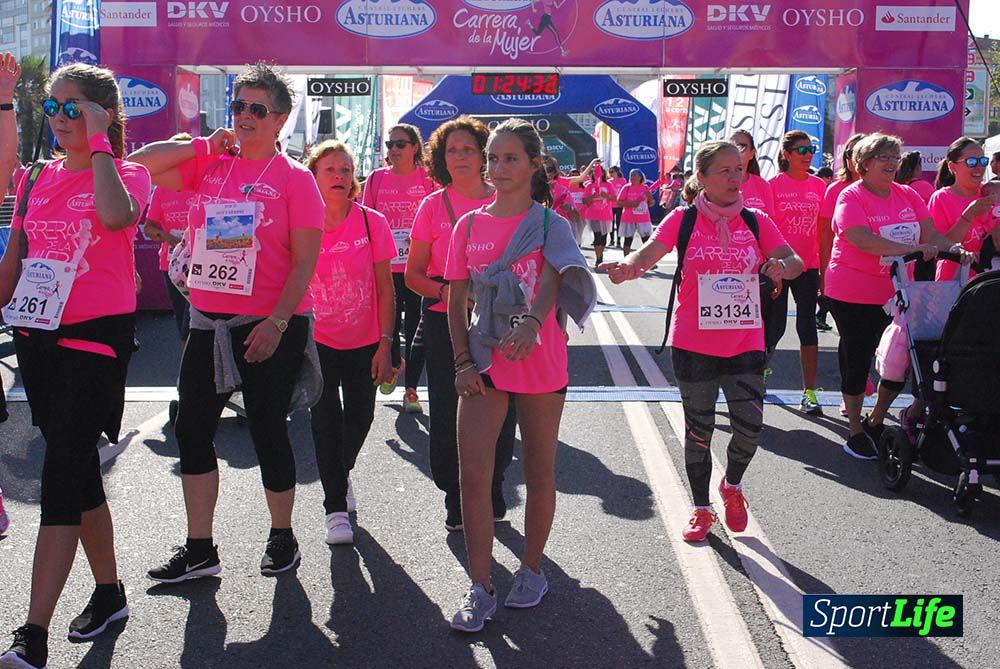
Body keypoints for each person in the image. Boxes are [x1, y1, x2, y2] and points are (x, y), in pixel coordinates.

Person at [130, 62, 324, 583]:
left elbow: (305, 260)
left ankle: (282, 535)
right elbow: (141, 164)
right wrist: (202, 146)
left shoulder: (296, 179)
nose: (244, 117)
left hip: (267, 324)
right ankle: (200, 548)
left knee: (267, 432)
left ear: (281, 118)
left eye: (257, 109)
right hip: (207, 323)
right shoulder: (213, 165)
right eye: (238, 106)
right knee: (192, 431)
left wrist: (278, 322)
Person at [0, 59, 152, 669]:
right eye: (55, 106)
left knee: (62, 471)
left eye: (74, 107)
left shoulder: (128, 174)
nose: (59, 116)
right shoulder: (36, 178)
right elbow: (17, 253)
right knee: (77, 465)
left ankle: (31, 633)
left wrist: (98, 146)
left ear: (101, 112)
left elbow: (117, 219)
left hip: (95, 337)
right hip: (37, 333)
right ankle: (111, 593)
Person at [602, 141, 802, 542]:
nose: (735, 177)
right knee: (699, 431)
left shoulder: (757, 220)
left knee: (750, 429)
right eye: (724, 170)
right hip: (694, 344)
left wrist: (782, 265)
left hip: (746, 340)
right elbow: (646, 255)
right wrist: (627, 268)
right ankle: (701, 508)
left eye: (738, 169)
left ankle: (732, 486)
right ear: (702, 178)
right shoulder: (683, 219)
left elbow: (795, 261)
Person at [445, 118, 595, 633]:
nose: (499, 168)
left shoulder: (551, 224)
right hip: (485, 362)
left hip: (541, 358)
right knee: (473, 477)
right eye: (493, 158)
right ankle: (481, 584)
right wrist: (462, 360)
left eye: (511, 158)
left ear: (534, 164)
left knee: (539, 471)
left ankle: (532, 569)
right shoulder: (468, 226)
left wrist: (533, 321)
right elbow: (454, 298)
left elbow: (555, 277)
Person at [823, 133, 972, 461]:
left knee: (900, 359)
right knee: (858, 357)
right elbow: (861, 238)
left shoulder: (907, 195)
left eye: (894, 156)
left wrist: (955, 250)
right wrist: (911, 250)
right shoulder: (852, 196)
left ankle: (876, 418)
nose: (892, 162)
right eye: (883, 157)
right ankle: (855, 431)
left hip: (899, 292)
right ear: (864, 164)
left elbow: (931, 234)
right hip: (852, 291)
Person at [406, 116, 517, 532]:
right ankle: (455, 495)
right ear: (440, 157)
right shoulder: (431, 206)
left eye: (468, 149)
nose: (460, 156)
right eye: (451, 150)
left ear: (484, 155)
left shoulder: (507, 199)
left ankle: (494, 486)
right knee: (451, 409)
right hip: (443, 323)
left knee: (502, 409)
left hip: (500, 323)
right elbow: (414, 274)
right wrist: (449, 294)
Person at [305, 141, 395, 545]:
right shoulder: (300, 222)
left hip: (364, 342)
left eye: (345, 169)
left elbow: (386, 290)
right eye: (330, 170)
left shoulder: (371, 222)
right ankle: (335, 508)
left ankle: (339, 476)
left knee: (361, 418)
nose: (339, 176)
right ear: (314, 176)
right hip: (316, 341)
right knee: (324, 422)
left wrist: (386, 343)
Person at [361, 124, 434, 412]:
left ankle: (411, 390)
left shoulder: (428, 179)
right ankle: (393, 363)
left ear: (415, 147)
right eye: (390, 144)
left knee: (418, 327)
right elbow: (364, 219)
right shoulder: (377, 178)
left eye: (400, 144)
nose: (393, 149)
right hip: (385, 265)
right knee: (387, 323)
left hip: (418, 267)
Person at [768, 131, 828, 414]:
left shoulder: (820, 186)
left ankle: (810, 392)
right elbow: (766, 230)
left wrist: (825, 271)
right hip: (779, 265)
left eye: (811, 149)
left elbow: (826, 232)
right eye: (801, 150)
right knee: (775, 327)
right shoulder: (773, 185)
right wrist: (772, 265)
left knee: (806, 326)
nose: (808, 155)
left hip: (809, 266)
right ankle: (762, 377)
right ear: (787, 154)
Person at [144, 132, 193, 339]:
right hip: (171, 264)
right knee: (183, 320)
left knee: (193, 323)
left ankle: (191, 370)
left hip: (200, 265)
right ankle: (187, 370)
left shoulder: (202, 183)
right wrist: (166, 236)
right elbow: (149, 228)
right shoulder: (162, 189)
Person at [928, 137, 988, 281]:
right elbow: (938, 246)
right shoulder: (941, 198)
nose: (979, 167)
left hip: (990, 281)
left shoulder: (991, 192)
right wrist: (969, 215)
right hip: (953, 283)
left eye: (983, 161)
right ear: (953, 166)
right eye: (972, 162)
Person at [730, 130, 774, 217]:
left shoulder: (763, 186)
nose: (736, 150)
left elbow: (770, 223)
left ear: (751, 153)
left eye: (741, 146)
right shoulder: (716, 182)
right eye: (731, 146)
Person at [582, 162, 615, 267]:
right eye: (596, 173)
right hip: (593, 215)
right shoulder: (589, 185)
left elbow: (615, 198)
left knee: (604, 238)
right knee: (597, 236)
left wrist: (607, 196)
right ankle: (598, 258)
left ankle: (601, 255)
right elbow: (585, 201)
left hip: (606, 214)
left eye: (601, 172)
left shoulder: (608, 184)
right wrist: (592, 197)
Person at [617, 169, 654, 257]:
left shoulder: (645, 188)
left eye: (634, 175)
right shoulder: (626, 187)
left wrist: (650, 197)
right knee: (628, 240)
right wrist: (630, 204)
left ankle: (648, 260)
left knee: (646, 240)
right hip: (629, 218)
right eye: (631, 175)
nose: (632, 177)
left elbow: (651, 203)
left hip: (643, 218)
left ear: (640, 177)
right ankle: (626, 259)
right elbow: (619, 202)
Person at [607, 165, 627, 247]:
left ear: (617, 172)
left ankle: (618, 241)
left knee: (619, 223)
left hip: (619, 205)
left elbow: (625, 192)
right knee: (611, 223)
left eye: (612, 172)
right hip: (610, 205)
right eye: (610, 172)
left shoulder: (623, 180)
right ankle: (611, 240)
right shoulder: (609, 181)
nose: (611, 174)